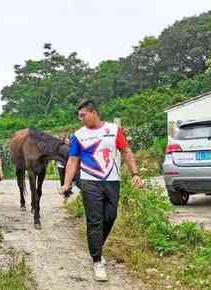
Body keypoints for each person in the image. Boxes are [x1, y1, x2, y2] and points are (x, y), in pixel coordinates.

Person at [59, 100, 143, 282]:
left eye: (83, 115)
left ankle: (96, 246)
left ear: (94, 112)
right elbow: (73, 160)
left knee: (110, 216)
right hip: (89, 182)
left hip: (112, 181)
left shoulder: (113, 130)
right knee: (94, 220)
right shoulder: (78, 135)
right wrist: (66, 184)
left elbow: (126, 151)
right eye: (79, 116)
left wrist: (135, 173)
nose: (80, 119)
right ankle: (97, 261)